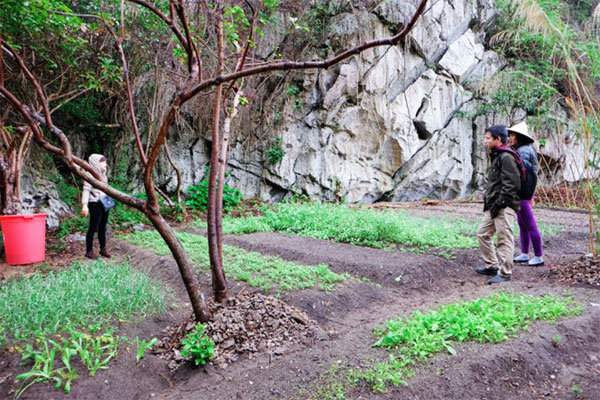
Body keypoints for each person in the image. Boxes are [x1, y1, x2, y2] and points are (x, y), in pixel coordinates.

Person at [475, 125, 521, 284]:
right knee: (482, 233)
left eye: (488, 138)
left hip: (504, 205)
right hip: (493, 204)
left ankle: (505, 272)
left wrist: (500, 202)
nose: (485, 141)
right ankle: (492, 266)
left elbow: (512, 184)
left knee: (504, 238)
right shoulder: (496, 155)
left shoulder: (506, 157)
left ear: (498, 139)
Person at [508, 122, 544, 266]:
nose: (510, 138)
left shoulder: (523, 151)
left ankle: (538, 256)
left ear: (519, 137)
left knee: (529, 224)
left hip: (523, 192)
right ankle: (524, 253)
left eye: (512, 135)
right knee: (522, 223)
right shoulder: (523, 149)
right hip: (525, 191)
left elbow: (522, 171)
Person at [81, 154, 111, 259]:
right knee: (93, 227)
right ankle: (89, 251)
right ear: (96, 163)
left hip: (104, 203)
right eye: (103, 162)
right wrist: (84, 206)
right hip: (95, 203)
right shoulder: (89, 175)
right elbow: (86, 190)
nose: (105, 164)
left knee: (103, 227)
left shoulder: (103, 175)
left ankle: (103, 249)